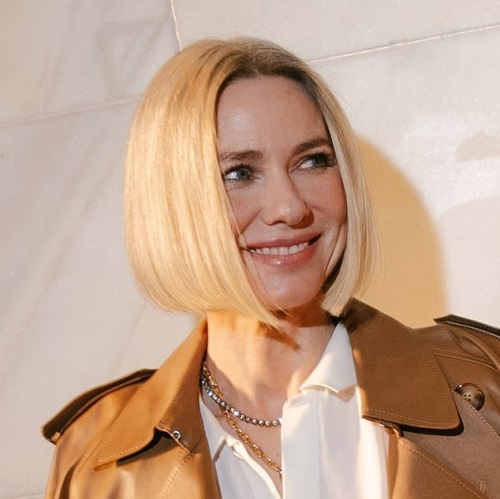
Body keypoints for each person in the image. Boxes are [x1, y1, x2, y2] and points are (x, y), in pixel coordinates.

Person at [42, 38, 500, 499]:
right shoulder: (97, 466)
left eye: (312, 161)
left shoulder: (488, 388)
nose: (290, 207)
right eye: (239, 172)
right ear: (171, 204)